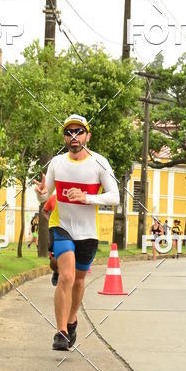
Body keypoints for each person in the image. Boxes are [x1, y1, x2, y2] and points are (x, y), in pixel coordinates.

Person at [34, 114, 119, 351]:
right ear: (64, 138)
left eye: (79, 132)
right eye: (69, 132)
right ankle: (61, 332)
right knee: (66, 276)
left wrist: (87, 197)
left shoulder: (99, 163)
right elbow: (45, 194)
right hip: (62, 226)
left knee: (79, 281)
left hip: (88, 232)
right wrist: (40, 193)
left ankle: (72, 320)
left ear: (87, 136)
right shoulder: (57, 163)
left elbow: (115, 196)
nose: (74, 136)